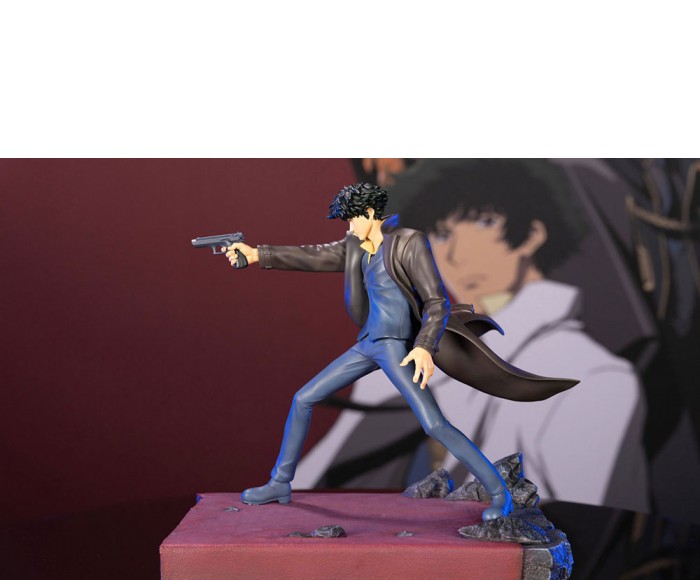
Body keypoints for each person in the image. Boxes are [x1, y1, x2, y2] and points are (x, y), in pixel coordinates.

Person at [293, 164, 650, 513]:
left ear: (533, 233)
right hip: (399, 530)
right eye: (441, 233)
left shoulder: (598, 377)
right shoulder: (391, 356)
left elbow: (581, 524)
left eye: (483, 222)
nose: (454, 254)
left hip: (497, 540)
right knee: (305, 399)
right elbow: (322, 475)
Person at [225, 183, 577, 522]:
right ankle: (280, 482)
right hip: (368, 344)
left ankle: (499, 493)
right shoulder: (356, 248)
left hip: (396, 347)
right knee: (303, 398)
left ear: (370, 213)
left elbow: (436, 301)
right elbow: (314, 255)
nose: (349, 227)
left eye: (352, 219)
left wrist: (423, 347)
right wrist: (257, 254)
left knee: (434, 424)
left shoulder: (408, 242)